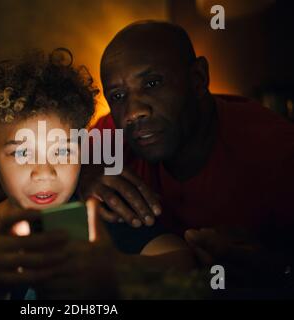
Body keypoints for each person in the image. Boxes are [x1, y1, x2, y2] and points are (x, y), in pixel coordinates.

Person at [0, 49, 195, 300]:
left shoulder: (100, 216)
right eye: (23, 154)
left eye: (61, 151)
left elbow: (184, 261)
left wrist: (117, 269)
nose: (45, 172)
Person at [79, 20, 294, 294]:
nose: (134, 112)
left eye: (152, 83)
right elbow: (57, 161)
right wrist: (84, 175)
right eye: (118, 95)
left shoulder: (276, 150)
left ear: (198, 79)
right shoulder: (112, 134)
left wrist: (276, 270)